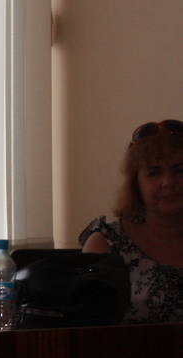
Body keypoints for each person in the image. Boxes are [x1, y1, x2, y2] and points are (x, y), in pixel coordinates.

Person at [78, 119, 183, 323]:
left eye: (180, 170)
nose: (168, 182)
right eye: (154, 173)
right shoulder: (107, 244)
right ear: (136, 185)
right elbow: (88, 332)